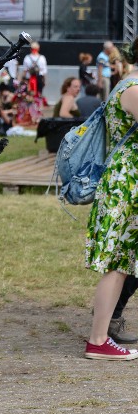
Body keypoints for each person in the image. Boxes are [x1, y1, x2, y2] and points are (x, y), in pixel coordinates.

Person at [84, 37, 138, 360]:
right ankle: (98, 339)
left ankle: (102, 336)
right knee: (117, 262)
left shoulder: (126, 83)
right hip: (126, 181)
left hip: (125, 179)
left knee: (120, 261)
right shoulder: (133, 88)